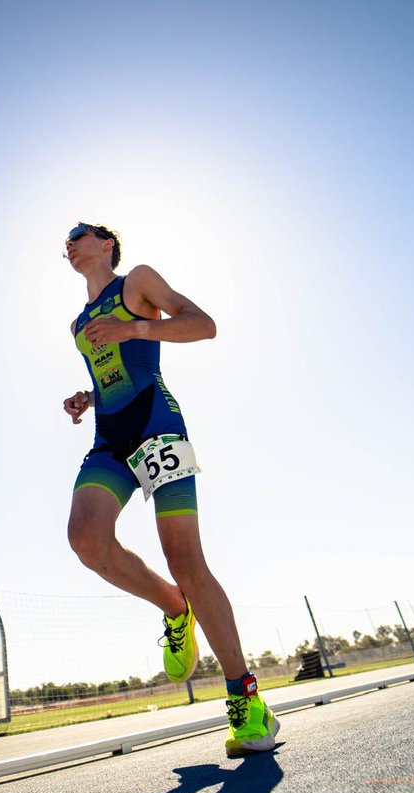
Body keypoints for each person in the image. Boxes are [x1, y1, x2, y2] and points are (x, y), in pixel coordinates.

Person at [61, 221, 279, 756]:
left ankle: (246, 700)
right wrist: (88, 397)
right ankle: (174, 609)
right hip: (110, 437)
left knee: (185, 558)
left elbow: (203, 325)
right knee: (86, 538)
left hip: (159, 426)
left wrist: (135, 329)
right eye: (64, 240)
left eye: (79, 233)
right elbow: (115, 370)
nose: (69, 243)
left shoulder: (137, 279)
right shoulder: (77, 323)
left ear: (107, 242)